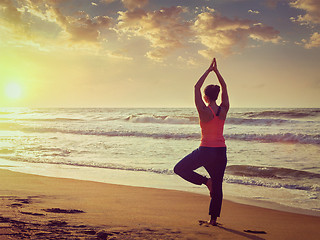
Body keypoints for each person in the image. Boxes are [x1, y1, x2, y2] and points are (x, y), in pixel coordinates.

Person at [174, 58, 229, 226]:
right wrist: (217, 72)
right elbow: (225, 87)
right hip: (221, 151)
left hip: (205, 151)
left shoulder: (204, 109)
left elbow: (196, 87)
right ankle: (213, 220)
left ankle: (206, 181)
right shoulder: (224, 108)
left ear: (205, 97)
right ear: (217, 96)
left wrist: (208, 70)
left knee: (179, 168)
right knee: (218, 186)